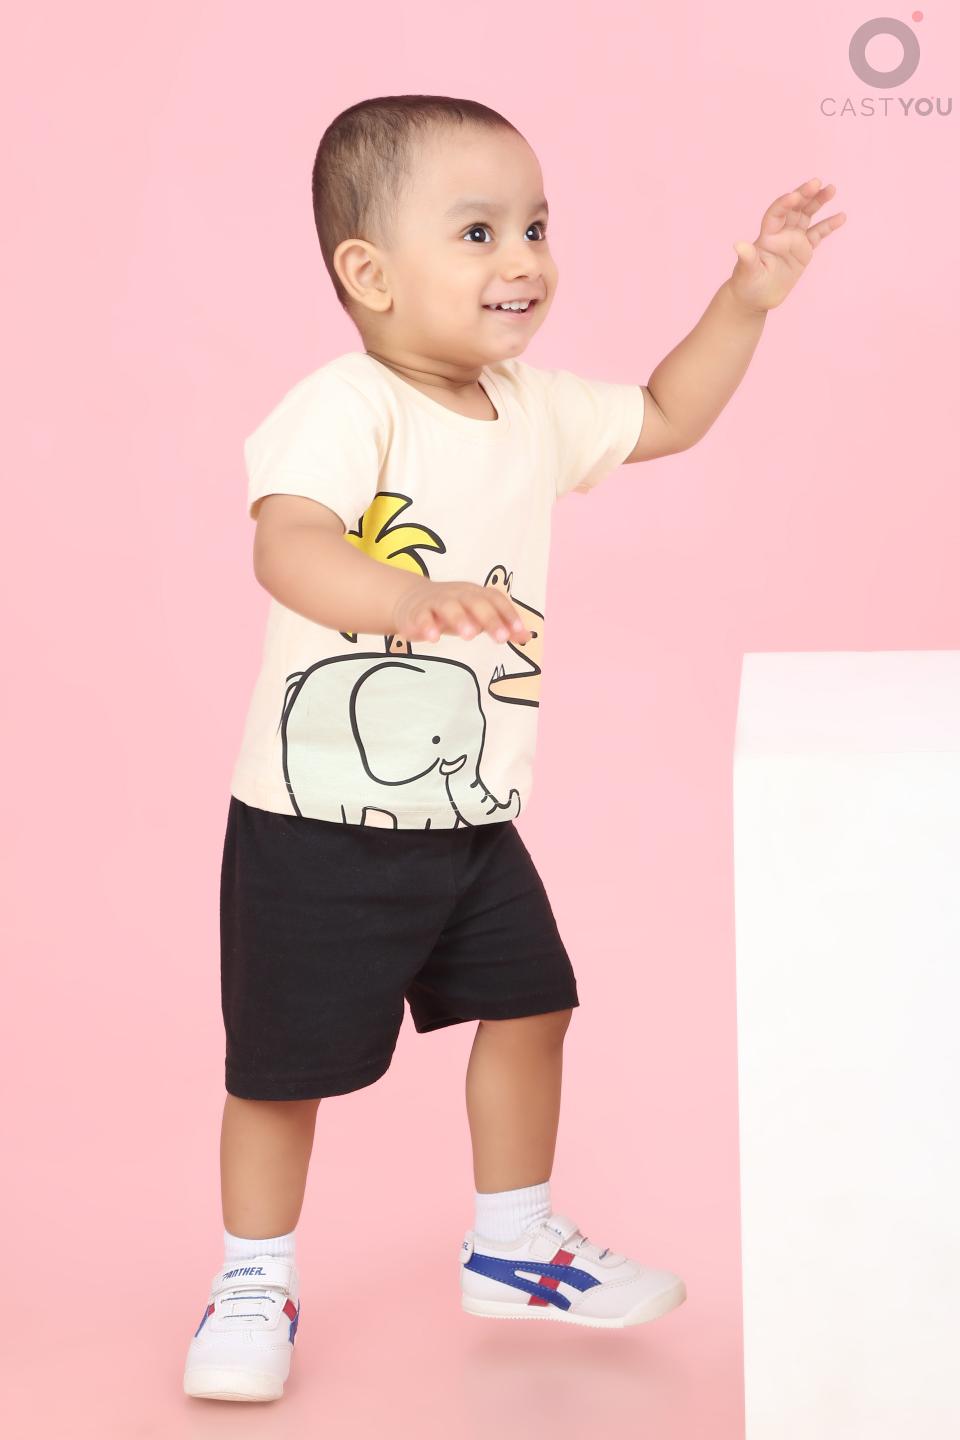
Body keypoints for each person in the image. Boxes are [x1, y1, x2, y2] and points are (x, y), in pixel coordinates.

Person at [183, 94, 845, 1402]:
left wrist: (747, 301)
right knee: (278, 1074)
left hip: (471, 812)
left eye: (537, 226)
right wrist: (403, 598)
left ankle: (514, 1240)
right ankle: (253, 1277)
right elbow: (289, 543)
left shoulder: (529, 407)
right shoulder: (348, 404)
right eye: (479, 232)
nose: (525, 259)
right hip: (315, 824)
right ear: (369, 273)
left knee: (536, 1005)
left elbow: (666, 414)